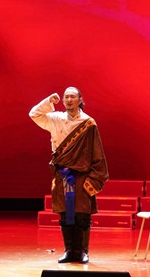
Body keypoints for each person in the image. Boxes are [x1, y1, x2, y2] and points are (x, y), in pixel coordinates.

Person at [29, 87, 109, 264]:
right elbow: (34, 114)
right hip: (62, 173)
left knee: (82, 215)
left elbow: (96, 152)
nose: (69, 100)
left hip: (81, 175)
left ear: (80, 100)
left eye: (73, 96)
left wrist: (95, 177)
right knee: (65, 215)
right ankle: (69, 251)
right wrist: (49, 101)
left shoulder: (88, 123)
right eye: (66, 97)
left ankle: (83, 252)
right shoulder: (55, 118)